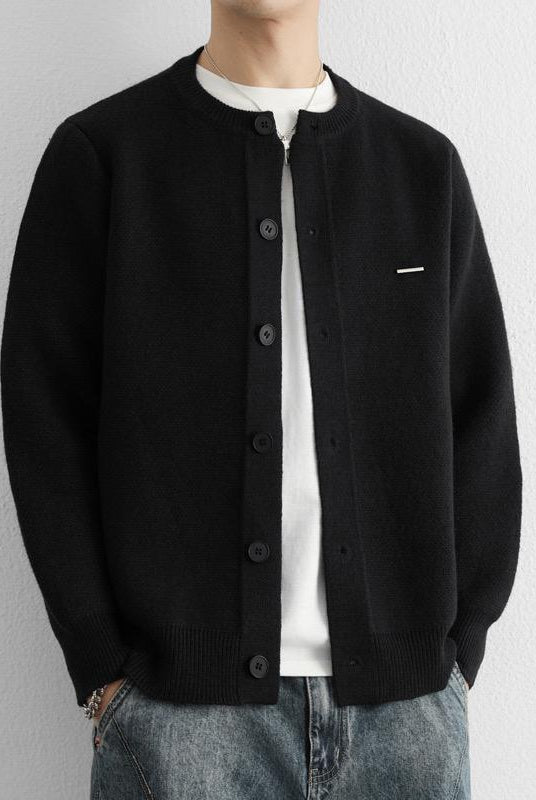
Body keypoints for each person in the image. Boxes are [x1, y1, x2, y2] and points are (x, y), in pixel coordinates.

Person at [1, 1, 522, 798]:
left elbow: (481, 416)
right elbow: (44, 417)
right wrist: (101, 661)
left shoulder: (421, 169)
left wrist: (458, 650)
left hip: (406, 721)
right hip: (180, 725)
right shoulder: (106, 156)